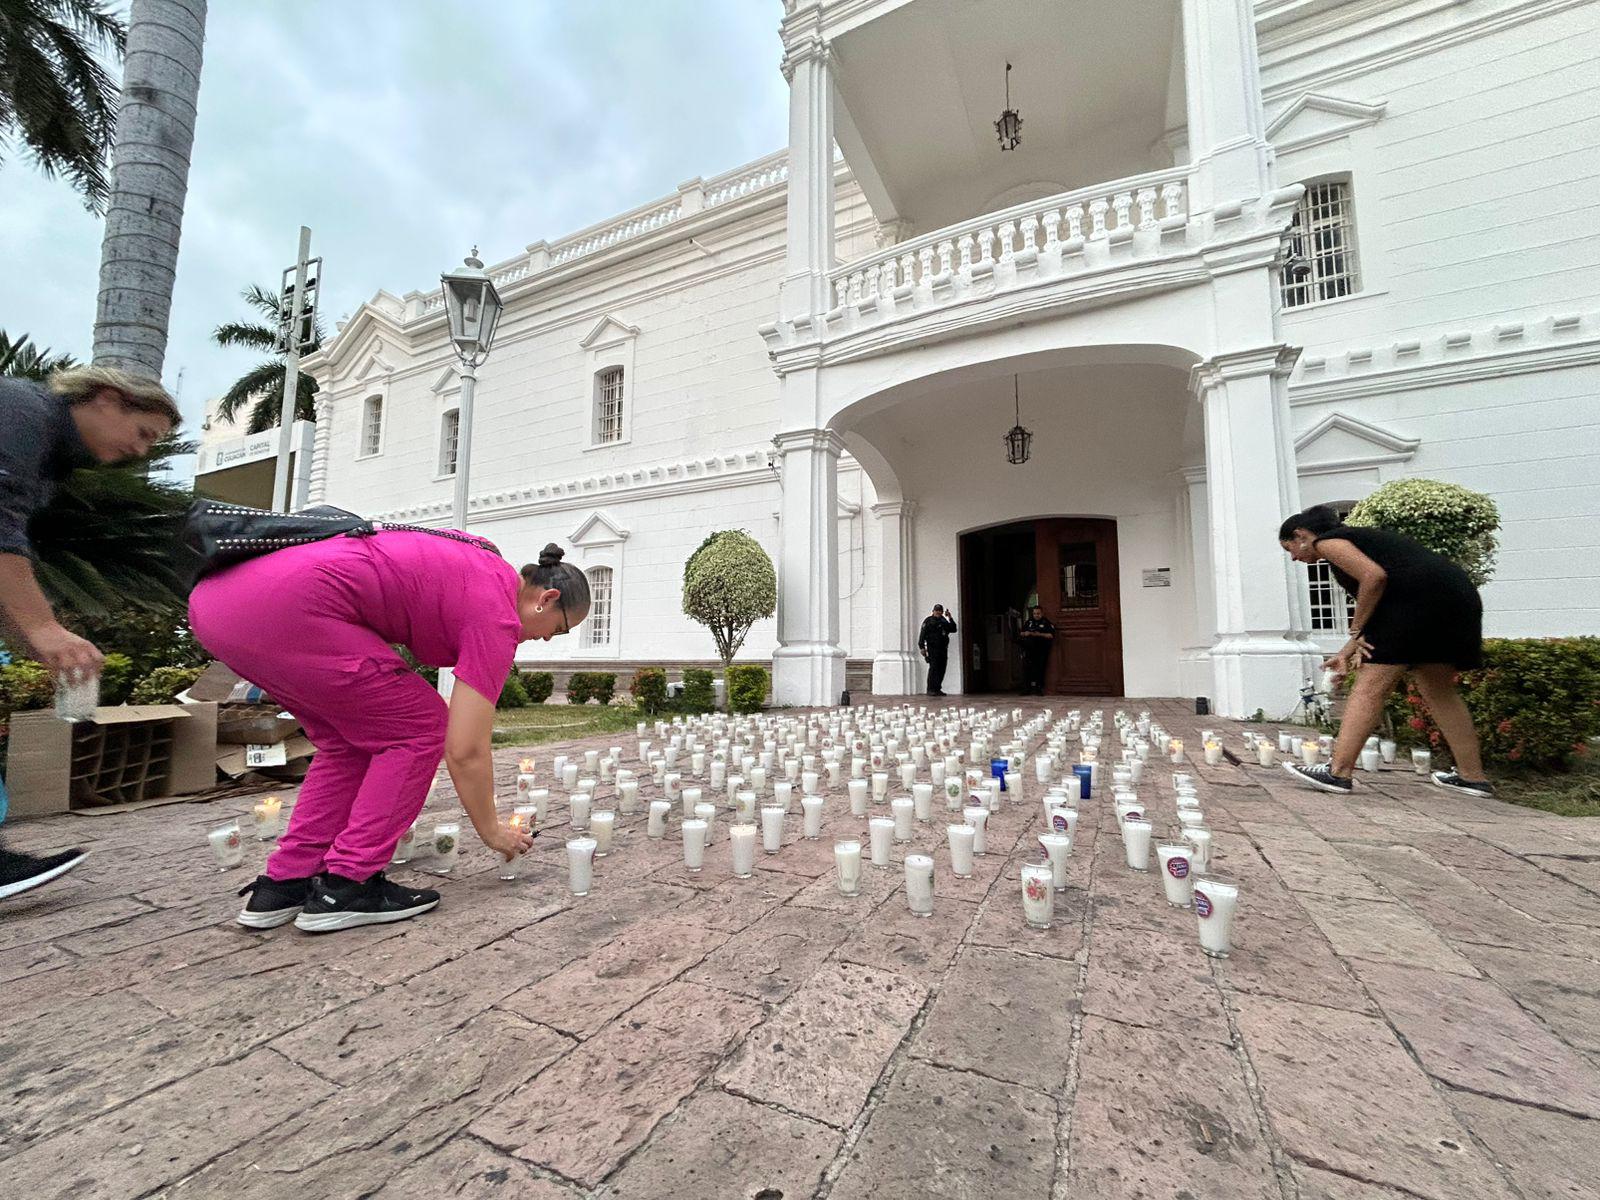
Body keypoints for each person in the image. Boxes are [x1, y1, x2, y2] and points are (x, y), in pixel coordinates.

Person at [188, 536, 590, 932]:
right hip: (292, 608)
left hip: (219, 604)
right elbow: (465, 748)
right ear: (547, 599)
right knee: (421, 726)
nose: (544, 639)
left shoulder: (481, 564)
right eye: (558, 629)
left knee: (347, 743)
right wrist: (492, 831)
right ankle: (348, 884)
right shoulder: (496, 612)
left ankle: (287, 882)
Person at [0, 366, 179, 901]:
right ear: (107, 399)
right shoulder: (25, 411)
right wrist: (42, 626)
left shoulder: (51, 455)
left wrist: (32, 640)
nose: (142, 451)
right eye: (143, 433)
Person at [1277, 504, 1492, 797]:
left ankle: (1337, 772)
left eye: (1290, 548)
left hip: (1414, 603)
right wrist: (1347, 649)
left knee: (1370, 687)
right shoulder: (1363, 538)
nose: (1294, 557)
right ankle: (1473, 777)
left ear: (1301, 534)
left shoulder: (1327, 541)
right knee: (1439, 691)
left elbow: (1373, 578)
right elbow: (1380, 597)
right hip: (1455, 598)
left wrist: (1355, 630)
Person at [918, 604, 957, 697]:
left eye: (940, 611)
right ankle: (931, 689)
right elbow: (922, 634)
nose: (938, 612)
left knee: (942, 668)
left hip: (943, 649)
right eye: (936, 610)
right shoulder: (928, 621)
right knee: (934, 668)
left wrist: (950, 617)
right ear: (933, 611)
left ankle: (937, 688)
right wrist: (922, 647)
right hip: (932, 648)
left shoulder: (943, 621)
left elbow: (953, 629)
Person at [1018, 605, 1056, 695]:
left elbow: (1051, 635)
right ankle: (1026, 689)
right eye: (1034, 613)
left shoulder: (1046, 622)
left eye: (1038, 613)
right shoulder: (1029, 622)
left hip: (1041, 650)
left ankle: (1039, 689)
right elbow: (1021, 632)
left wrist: (1039, 634)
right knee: (1027, 669)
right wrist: (1026, 633)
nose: (1036, 615)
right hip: (1029, 649)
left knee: (1040, 669)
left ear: (1042, 613)